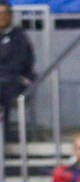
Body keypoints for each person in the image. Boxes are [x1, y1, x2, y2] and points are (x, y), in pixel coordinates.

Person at [0, 0, 36, 141]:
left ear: (11, 16)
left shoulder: (19, 37)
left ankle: (3, 136)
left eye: (4, 13)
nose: (1, 16)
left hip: (16, 80)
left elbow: (19, 63)